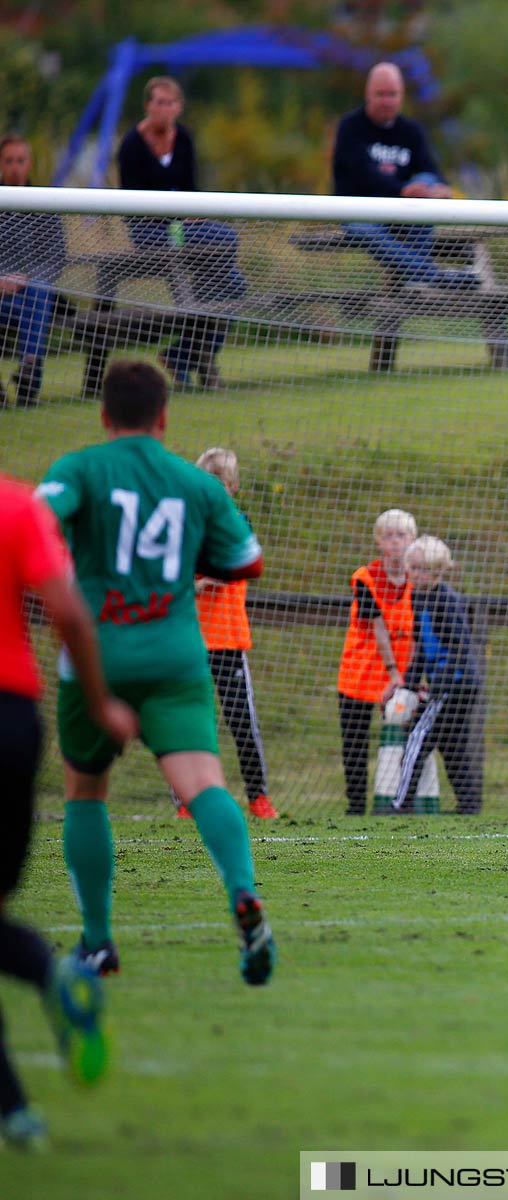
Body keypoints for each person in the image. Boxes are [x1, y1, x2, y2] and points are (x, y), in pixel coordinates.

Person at [36, 359, 276, 985]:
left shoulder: (81, 468)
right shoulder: (195, 485)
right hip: (175, 655)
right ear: (165, 417)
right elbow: (247, 562)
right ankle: (244, 894)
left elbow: (37, 522)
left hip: (98, 655)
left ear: (103, 413)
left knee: (86, 793)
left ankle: (97, 942)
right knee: (204, 785)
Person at [0, 473, 131, 1147]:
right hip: (12, 720)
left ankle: (51, 978)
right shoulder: (17, 504)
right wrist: (102, 699)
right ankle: (16, 1110)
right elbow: (70, 612)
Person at [115, 75, 248, 391]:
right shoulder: (132, 146)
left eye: (171, 102)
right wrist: (177, 216)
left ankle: (181, 354)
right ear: (148, 105)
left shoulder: (184, 139)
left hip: (186, 229)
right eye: (159, 102)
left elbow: (191, 189)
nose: (164, 109)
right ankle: (190, 351)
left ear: (179, 107)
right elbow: (132, 203)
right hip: (150, 232)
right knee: (226, 267)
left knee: (236, 285)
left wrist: (190, 213)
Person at [331, 63, 480, 290]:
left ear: (401, 96)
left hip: (401, 213)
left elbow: (429, 168)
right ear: (368, 94)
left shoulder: (411, 131)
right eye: (381, 94)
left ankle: (409, 283)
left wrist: (439, 188)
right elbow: (362, 173)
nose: (387, 101)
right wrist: (401, 190)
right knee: (366, 230)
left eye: (392, 94)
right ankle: (434, 278)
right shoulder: (350, 127)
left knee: (427, 182)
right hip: (360, 210)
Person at [192, 448, 277, 820]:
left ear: (234, 486)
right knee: (191, 722)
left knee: (242, 721)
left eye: (221, 483)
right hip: (190, 641)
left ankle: (258, 797)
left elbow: (239, 565)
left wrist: (208, 575)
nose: (214, 489)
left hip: (228, 639)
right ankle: (187, 800)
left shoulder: (238, 524)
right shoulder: (186, 526)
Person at [391, 536, 485, 815]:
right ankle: (469, 806)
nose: (419, 575)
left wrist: (440, 684)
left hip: (456, 685)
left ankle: (401, 804)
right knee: (452, 745)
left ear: (439, 572)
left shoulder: (447, 601)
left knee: (417, 738)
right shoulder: (417, 598)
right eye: (415, 568)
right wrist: (409, 684)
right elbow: (421, 647)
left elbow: (460, 646)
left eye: (426, 571)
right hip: (450, 684)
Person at [337, 508, 417, 816]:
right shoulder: (365, 577)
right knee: (354, 744)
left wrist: (408, 675)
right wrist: (394, 672)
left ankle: (400, 804)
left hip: (403, 676)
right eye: (389, 536)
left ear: (413, 539)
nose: (396, 542)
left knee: (406, 741)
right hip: (361, 672)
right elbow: (378, 627)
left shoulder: (418, 579)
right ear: (378, 542)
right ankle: (355, 807)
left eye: (402, 535)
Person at [0, 136, 65, 408]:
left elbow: (56, 257)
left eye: (20, 160)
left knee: (39, 291)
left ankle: (28, 369)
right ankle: (30, 370)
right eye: (9, 161)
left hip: (32, 296)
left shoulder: (43, 204)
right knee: (37, 299)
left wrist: (26, 278)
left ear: (30, 164)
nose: (15, 167)